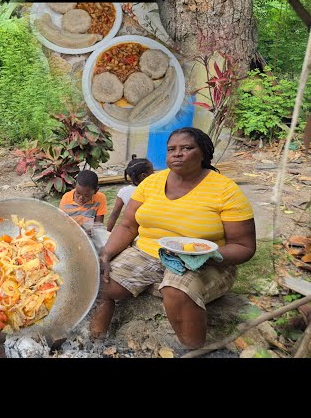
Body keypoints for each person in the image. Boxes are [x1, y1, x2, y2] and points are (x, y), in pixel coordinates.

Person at [90, 127, 256, 349]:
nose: (177, 153)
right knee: (102, 285)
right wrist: (107, 254)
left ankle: (193, 348)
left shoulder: (225, 190)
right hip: (147, 252)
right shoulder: (151, 183)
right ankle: (94, 343)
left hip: (206, 260)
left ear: (203, 153)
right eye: (172, 149)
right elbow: (128, 225)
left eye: (186, 148)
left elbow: (245, 246)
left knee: (176, 292)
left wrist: (208, 255)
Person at [105, 155, 154, 232]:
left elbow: (114, 214)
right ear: (144, 176)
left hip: (130, 229)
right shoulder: (152, 190)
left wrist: (107, 232)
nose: (154, 174)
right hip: (148, 228)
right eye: (153, 172)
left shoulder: (123, 192)